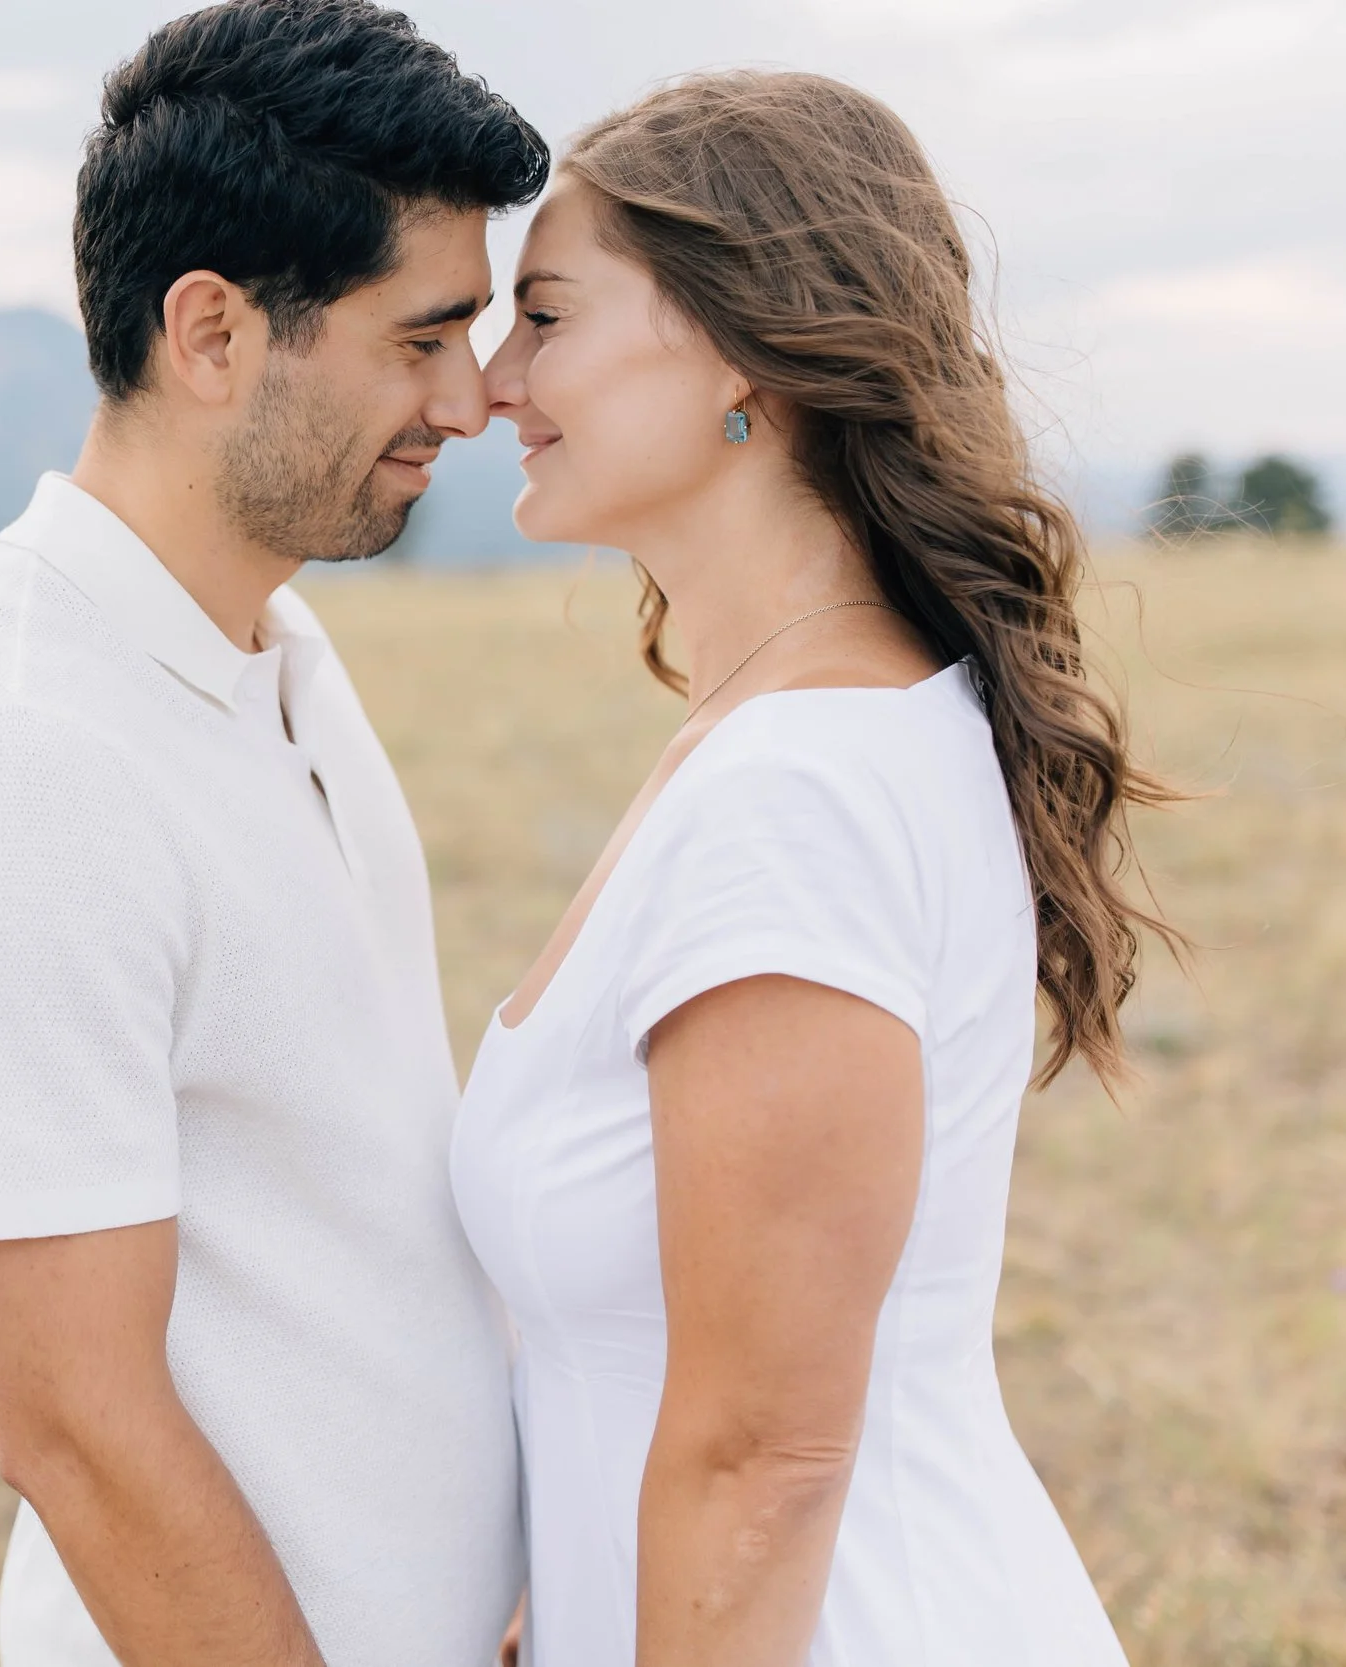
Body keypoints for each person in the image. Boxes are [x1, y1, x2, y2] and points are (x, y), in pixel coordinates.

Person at [0, 4, 546, 1663]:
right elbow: (79, 1431)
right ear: (213, 334)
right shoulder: (14, 763)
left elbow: (356, 1215)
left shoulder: (280, 649)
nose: (472, 399)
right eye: (420, 339)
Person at [452, 71, 1174, 1667]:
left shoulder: (797, 788)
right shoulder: (798, 727)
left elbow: (763, 1459)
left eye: (547, 316)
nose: (490, 381)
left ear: (738, 350)